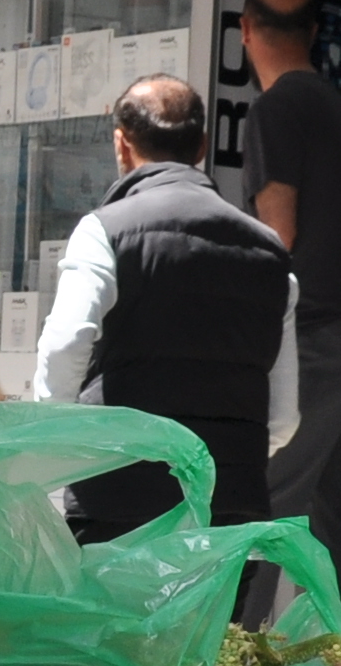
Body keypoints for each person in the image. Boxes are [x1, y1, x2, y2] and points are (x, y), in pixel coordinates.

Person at [32, 76, 295, 541]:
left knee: (110, 617)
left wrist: (62, 448)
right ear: (203, 147)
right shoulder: (271, 252)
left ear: (122, 144)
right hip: (231, 511)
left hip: (118, 503)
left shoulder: (105, 231)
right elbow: (283, 417)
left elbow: (66, 343)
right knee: (212, 618)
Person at [236, 0, 341, 661]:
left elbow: (279, 231)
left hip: (312, 335)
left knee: (268, 499)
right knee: (321, 510)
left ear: (245, 31)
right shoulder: (336, 108)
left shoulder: (274, 111)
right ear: (315, 33)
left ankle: (224, 661)